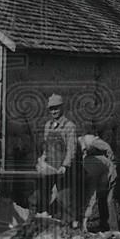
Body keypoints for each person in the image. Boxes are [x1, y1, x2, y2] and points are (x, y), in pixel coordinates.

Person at [36, 93, 78, 223]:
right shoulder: (48, 125)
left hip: (63, 169)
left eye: (56, 108)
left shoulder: (69, 126)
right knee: (43, 195)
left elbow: (72, 149)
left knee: (64, 199)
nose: (53, 111)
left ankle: (70, 228)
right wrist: (42, 159)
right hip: (50, 167)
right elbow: (46, 147)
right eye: (51, 109)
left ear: (62, 108)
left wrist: (65, 166)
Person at [77, 133, 120, 232]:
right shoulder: (84, 162)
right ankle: (104, 225)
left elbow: (108, 148)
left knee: (109, 200)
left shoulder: (91, 141)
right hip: (100, 171)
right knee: (101, 200)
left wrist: (113, 163)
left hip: (109, 172)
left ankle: (114, 229)